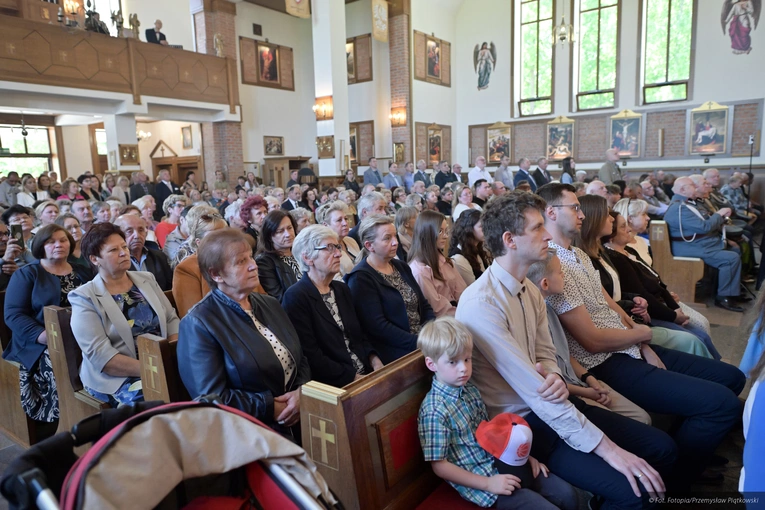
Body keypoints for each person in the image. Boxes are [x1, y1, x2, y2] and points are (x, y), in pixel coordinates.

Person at [456, 192, 674, 508]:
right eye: (537, 228)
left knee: (662, 448)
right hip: (523, 424)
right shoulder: (481, 303)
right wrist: (611, 451)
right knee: (637, 492)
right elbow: (533, 392)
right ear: (510, 240)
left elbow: (546, 353)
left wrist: (556, 376)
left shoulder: (529, 288)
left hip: (554, 404)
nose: (547, 234)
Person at [538, 182, 746, 491]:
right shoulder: (551, 262)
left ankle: (692, 450)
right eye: (575, 208)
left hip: (628, 345)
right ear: (552, 213)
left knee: (732, 377)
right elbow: (591, 342)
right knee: (723, 405)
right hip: (604, 362)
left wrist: (642, 341)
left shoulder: (577, 253)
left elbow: (609, 303)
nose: (582, 214)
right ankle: (677, 480)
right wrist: (641, 334)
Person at [417, 317, 578, 509]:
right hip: (484, 484)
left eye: (467, 359)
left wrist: (523, 459)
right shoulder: (434, 410)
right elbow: (439, 466)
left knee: (567, 495)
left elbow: (492, 433)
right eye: (453, 362)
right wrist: (488, 483)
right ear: (432, 364)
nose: (464, 368)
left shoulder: (470, 389)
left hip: (502, 462)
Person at [177, 228, 309, 436]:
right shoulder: (199, 323)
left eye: (251, 257)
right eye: (240, 261)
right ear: (216, 274)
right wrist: (269, 407)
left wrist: (301, 393)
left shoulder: (270, 303)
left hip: (299, 415)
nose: (253, 265)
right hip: (249, 431)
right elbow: (210, 398)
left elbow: (300, 357)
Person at [575, 196, 715, 360]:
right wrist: (641, 308)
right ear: (595, 220)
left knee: (700, 328)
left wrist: (636, 300)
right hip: (621, 324)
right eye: (607, 216)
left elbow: (648, 282)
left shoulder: (604, 253)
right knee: (692, 340)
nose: (611, 219)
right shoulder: (597, 257)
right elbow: (604, 301)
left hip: (637, 313)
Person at [527, 251, 652, 425]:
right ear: (545, 283)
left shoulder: (550, 312)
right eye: (560, 272)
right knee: (640, 421)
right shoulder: (532, 319)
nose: (564, 275)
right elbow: (544, 379)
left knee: (643, 417)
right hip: (566, 392)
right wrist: (587, 392)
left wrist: (589, 378)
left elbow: (565, 354)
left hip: (581, 381)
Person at [69, 223, 179, 407]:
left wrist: (173, 355)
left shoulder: (146, 279)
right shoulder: (84, 297)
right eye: (113, 250)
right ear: (95, 259)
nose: (123, 253)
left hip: (162, 362)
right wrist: (157, 369)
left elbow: (171, 319)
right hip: (117, 376)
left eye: (124, 247)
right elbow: (101, 356)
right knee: (154, 402)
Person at [2, 225, 93, 426]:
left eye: (63, 240)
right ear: (40, 246)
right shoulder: (27, 274)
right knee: (61, 361)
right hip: (40, 341)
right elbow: (14, 315)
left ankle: (103, 409)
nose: (58, 245)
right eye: (50, 242)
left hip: (85, 334)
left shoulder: (83, 271)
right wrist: (44, 336)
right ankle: (70, 419)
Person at [283, 225, 383, 387]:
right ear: (308, 258)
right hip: (336, 383)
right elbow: (312, 355)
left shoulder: (341, 289)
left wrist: (375, 361)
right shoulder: (296, 296)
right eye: (329, 248)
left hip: (365, 370)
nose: (338, 254)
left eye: (337, 247)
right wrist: (354, 378)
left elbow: (360, 335)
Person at [346, 215, 435, 364]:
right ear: (369, 246)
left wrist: (432, 331)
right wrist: (419, 342)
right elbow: (379, 327)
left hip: (422, 339)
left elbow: (424, 305)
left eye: (395, 236)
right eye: (387, 238)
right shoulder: (361, 278)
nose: (395, 242)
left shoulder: (401, 266)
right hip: (396, 350)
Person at [664, 177, 743, 312]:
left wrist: (718, 218)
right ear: (683, 189)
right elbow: (704, 227)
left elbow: (705, 222)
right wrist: (719, 214)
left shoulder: (687, 204)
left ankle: (728, 290)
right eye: (692, 185)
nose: (695, 187)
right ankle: (724, 297)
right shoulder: (679, 208)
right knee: (731, 258)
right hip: (690, 248)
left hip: (699, 244)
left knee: (734, 250)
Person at [409, 211, 467, 317]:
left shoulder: (446, 261)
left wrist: (468, 310)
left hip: (461, 313)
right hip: (445, 322)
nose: (445, 236)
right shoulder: (419, 271)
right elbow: (438, 309)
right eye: (440, 231)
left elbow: (462, 292)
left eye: (446, 231)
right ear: (427, 233)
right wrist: (463, 316)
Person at [171, 215, 230, 318]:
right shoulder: (186, 269)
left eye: (225, 236)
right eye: (214, 238)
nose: (222, 241)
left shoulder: (236, 260)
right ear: (199, 243)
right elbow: (193, 316)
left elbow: (257, 298)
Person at [114, 214, 173, 292]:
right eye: (129, 231)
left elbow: (170, 289)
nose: (137, 236)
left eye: (141, 230)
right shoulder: (114, 262)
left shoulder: (159, 257)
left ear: (146, 233)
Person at [256, 210, 301, 302]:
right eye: (280, 231)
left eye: (289, 228)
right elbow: (278, 299)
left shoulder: (301, 252)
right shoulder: (264, 262)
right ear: (269, 236)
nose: (288, 234)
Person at [449, 209, 492, 286]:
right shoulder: (458, 258)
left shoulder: (478, 248)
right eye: (481, 226)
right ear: (469, 229)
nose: (486, 230)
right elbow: (476, 286)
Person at [317, 200, 359, 276]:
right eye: (339, 220)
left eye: (346, 219)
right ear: (325, 225)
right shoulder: (325, 250)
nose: (345, 223)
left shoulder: (351, 241)